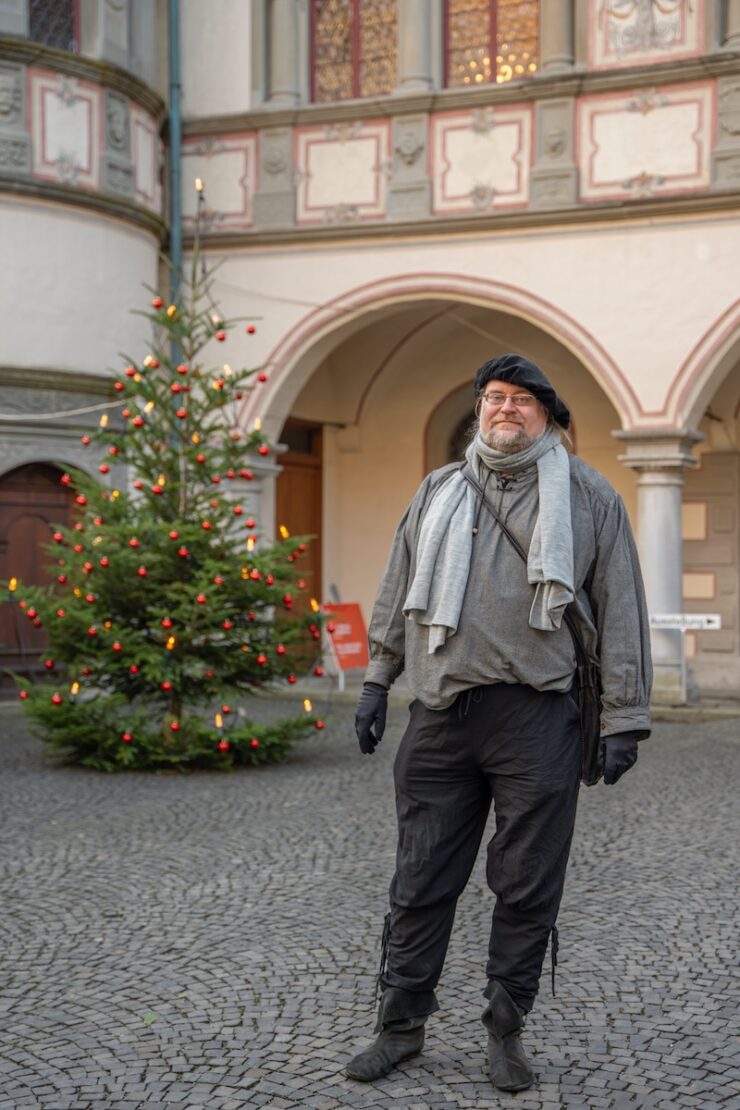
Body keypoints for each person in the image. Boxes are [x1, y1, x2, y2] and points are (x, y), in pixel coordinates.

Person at [346, 353, 653, 1092]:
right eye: (492, 397)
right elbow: (395, 588)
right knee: (419, 876)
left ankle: (505, 1028)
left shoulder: (588, 495)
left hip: (538, 718)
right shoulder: (440, 490)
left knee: (525, 883)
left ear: (548, 415)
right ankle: (401, 1024)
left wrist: (625, 717)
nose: (503, 409)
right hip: (442, 714)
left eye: (519, 399)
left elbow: (619, 608)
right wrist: (374, 682)